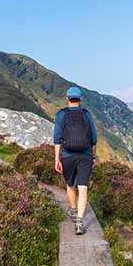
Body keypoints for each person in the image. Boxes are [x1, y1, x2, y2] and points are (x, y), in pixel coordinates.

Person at [53, 86, 98, 235]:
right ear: (80, 99)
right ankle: (79, 222)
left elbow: (57, 139)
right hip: (85, 155)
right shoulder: (86, 114)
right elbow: (94, 138)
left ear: (67, 98)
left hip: (67, 155)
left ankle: (73, 211)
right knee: (83, 188)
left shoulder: (61, 115)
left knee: (70, 184)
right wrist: (92, 156)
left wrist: (57, 159)